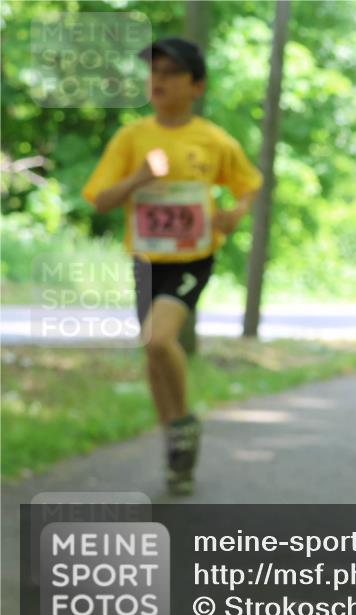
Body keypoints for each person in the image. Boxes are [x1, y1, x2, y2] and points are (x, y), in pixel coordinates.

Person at [83, 37, 262, 495]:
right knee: (153, 350)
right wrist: (140, 176)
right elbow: (101, 200)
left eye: (170, 72)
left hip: (192, 257)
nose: (158, 80)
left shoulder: (213, 140)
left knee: (159, 337)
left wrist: (234, 214)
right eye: (153, 71)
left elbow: (248, 185)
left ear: (195, 85)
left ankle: (183, 424)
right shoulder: (132, 138)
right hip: (146, 259)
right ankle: (176, 448)